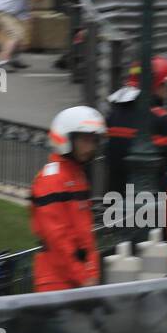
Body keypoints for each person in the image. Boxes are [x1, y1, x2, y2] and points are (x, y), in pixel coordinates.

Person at [30, 107, 106, 292]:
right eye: (85, 140)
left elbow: (85, 236)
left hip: (77, 280)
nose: (91, 148)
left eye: (94, 141)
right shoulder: (52, 179)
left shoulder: (76, 176)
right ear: (66, 139)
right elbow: (58, 238)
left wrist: (91, 274)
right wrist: (85, 277)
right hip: (56, 283)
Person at [105, 56, 167, 197]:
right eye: (165, 86)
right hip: (151, 201)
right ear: (155, 85)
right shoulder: (161, 119)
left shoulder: (113, 114)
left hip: (115, 196)